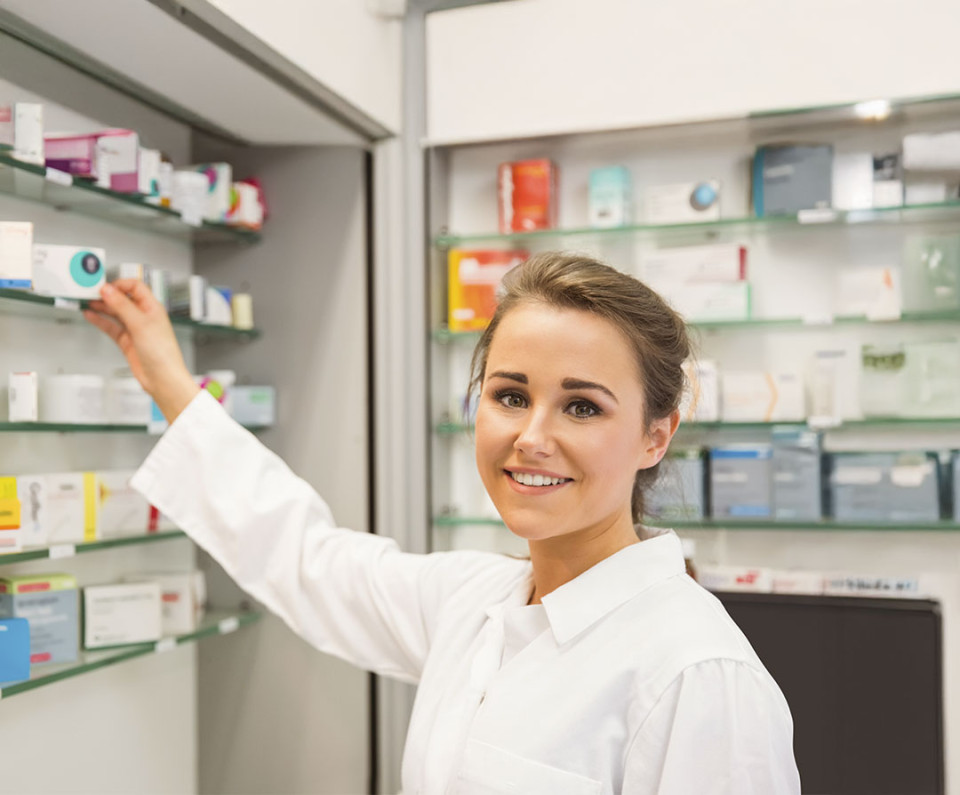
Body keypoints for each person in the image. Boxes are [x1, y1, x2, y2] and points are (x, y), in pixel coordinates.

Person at [84, 252, 801, 794]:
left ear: (656, 434)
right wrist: (170, 382)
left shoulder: (699, 673)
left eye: (582, 406)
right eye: (510, 394)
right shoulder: (472, 601)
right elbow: (308, 558)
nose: (531, 436)